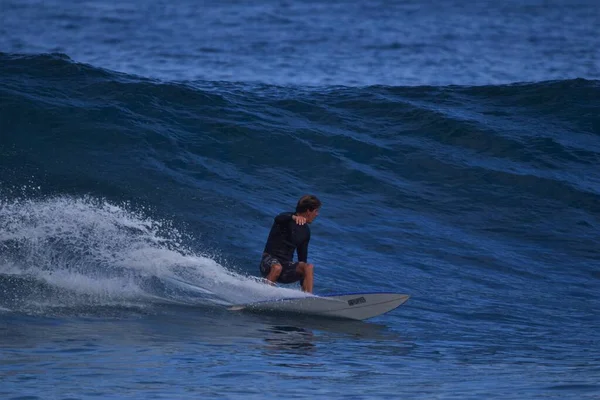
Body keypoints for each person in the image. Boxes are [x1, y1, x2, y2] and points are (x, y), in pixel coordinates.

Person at [259, 194, 321, 293]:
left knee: (308, 267)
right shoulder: (286, 219)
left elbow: (302, 258)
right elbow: (278, 218)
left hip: (285, 269)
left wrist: (303, 282)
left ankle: (307, 298)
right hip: (268, 263)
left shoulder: (305, 231)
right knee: (277, 267)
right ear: (308, 211)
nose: (317, 214)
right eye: (316, 211)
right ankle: (261, 294)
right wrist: (293, 217)